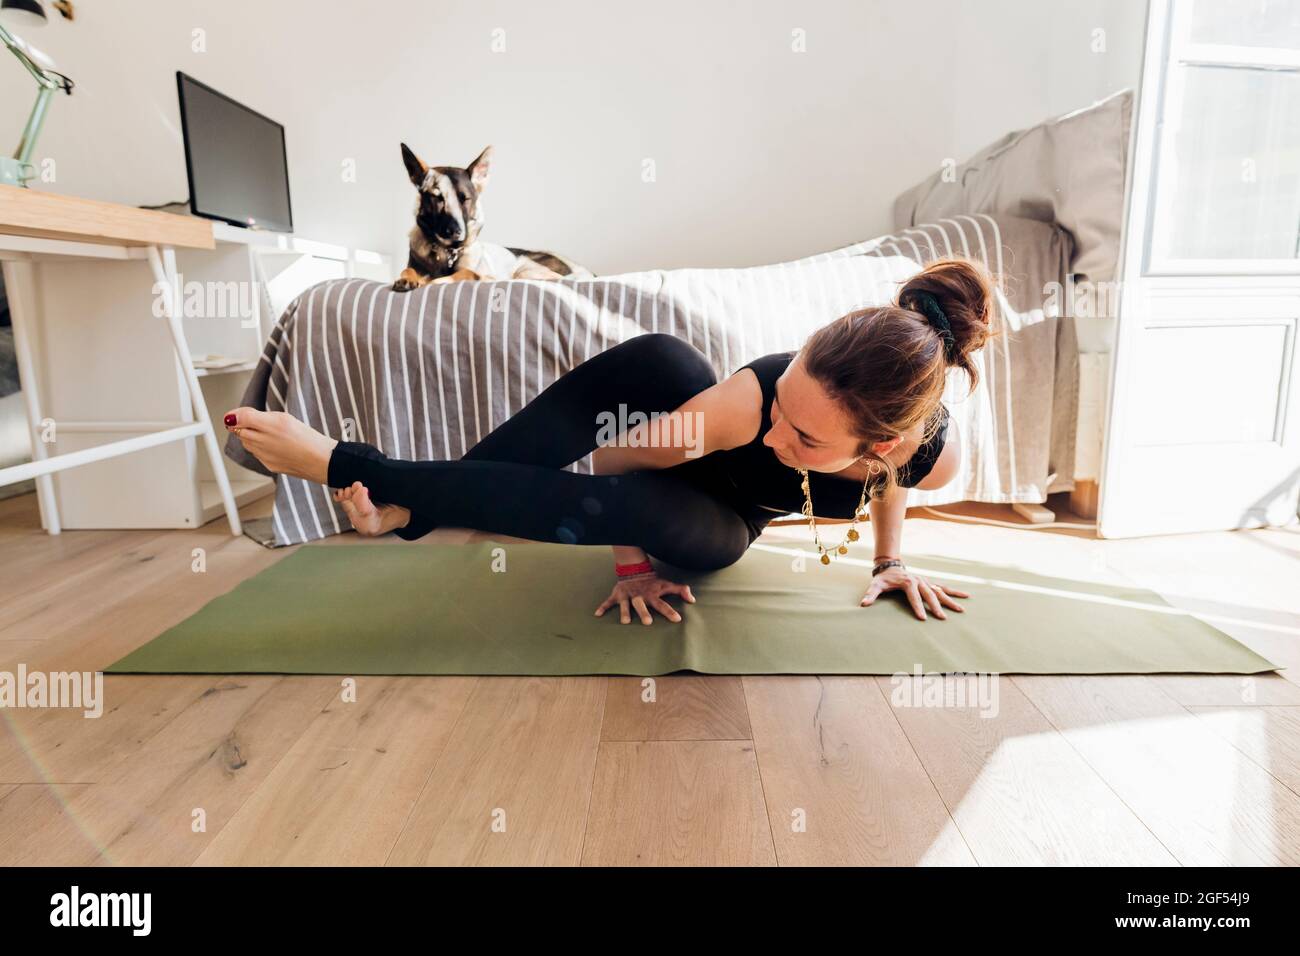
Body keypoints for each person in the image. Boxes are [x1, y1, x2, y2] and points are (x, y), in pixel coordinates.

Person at [223, 256, 995, 626]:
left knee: (685, 522)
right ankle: (378, 484)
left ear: (885, 442)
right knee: (663, 359)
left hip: (711, 525)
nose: (777, 432)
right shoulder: (748, 404)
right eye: (784, 401)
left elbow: (892, 482)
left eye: (804, 436)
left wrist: (891, 563)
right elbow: (616, 462)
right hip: (663, 461)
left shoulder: (929, 456)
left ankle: (399, 497)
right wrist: (629, 567)